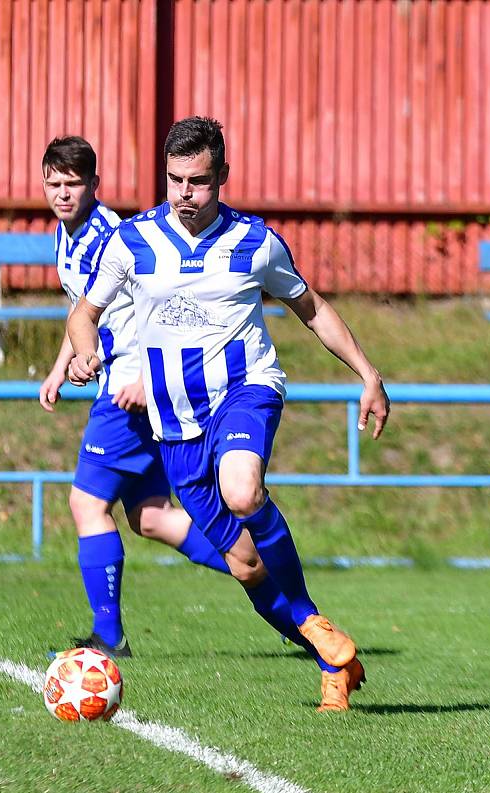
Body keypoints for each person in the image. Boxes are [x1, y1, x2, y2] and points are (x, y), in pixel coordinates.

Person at [67, 117, 390, 712]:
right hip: (175, 424)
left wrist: (367, 374)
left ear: (223, 177)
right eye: (175, 180)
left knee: (242, 490)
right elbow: (85, 312)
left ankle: (317, 634)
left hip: (245, 391)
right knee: (245, 566)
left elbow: (311, 307)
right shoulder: (132, 241)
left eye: (199, 181)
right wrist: (86, 353)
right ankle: (328, 651)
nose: (185, 194)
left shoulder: (256, 242)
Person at [38, 135, 231, 660]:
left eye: (73, 184)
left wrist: (146, 378)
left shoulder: (112, 236)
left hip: (130, 388)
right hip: (123, 383)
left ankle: (109, 637)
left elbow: (162, 308)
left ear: (94, 185)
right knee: (151, 516)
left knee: (86, 504)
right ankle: (265, 577)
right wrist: (63, 366)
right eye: (53, 184)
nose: (62, 193)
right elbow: (86, 308)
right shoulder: (65, 233)